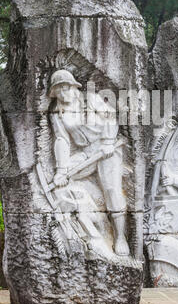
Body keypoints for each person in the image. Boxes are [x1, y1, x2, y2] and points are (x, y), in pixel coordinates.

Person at [48, 69, 130, 256]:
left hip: (107, 148)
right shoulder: (56, 111)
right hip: (85, 153)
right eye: (58, 90)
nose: (63, 93)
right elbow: (62, 140)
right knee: (64, 176)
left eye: (65, 87)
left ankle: (119, 236)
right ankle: (84, 217)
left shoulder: (90, 99)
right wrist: (61, 170)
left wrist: (109, 141)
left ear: (74, 86)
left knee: (111, 190)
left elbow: (110, 116)